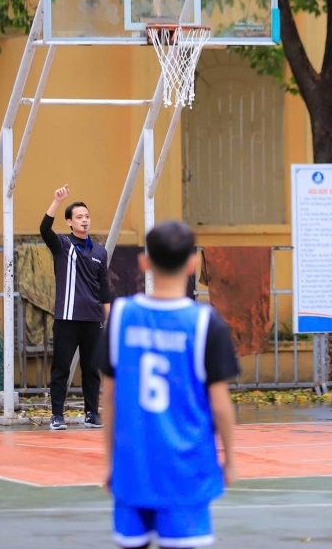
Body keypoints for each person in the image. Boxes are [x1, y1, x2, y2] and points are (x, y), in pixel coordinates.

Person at [101, 220, 238, 549]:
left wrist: (110, 462)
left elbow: (109, 397)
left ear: (144, 262)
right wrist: (230, 459)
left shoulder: (120, 317)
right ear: (192, 264)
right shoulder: (205, 323)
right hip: (185, 468)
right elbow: (220, 404)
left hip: (134, 465)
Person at [41, 185, 111, 431]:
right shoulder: (61, 245)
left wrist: (108, 316)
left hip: (93, 319)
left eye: (87, 216)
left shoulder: (99, 251)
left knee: (91, 369)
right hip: (67, 318)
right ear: (70, 222)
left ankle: (91, 413)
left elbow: (104, 285)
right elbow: (44, 229)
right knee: (61, 368)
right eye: (79, 217)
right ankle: (57, 415)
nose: (84, 220)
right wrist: (57, 201)